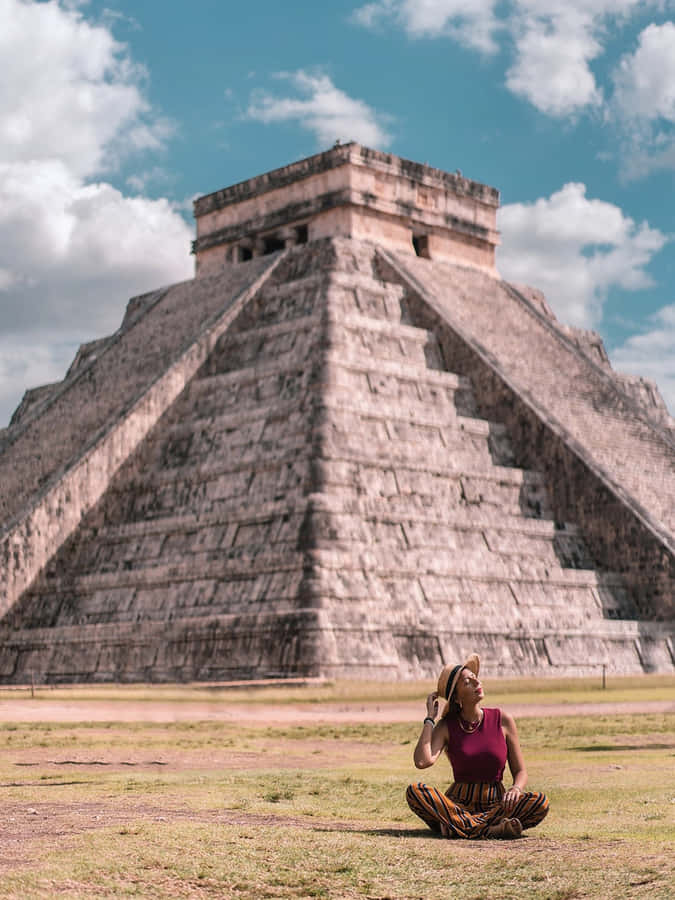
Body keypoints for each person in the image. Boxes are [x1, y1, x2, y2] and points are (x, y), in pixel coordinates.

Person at [406, 654, 549, 839]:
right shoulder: (447, 725)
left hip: (496, 806)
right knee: (415, 792)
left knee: (540, 802)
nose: (476, 682)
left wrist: (515, 789)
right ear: (457, 697)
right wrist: (429, 719)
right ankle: (491, 830)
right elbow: (422, 761)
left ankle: (459, 827)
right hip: (457, 805)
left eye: (475, 677)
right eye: (467, 682)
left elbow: (520, 771)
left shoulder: (502, 719)